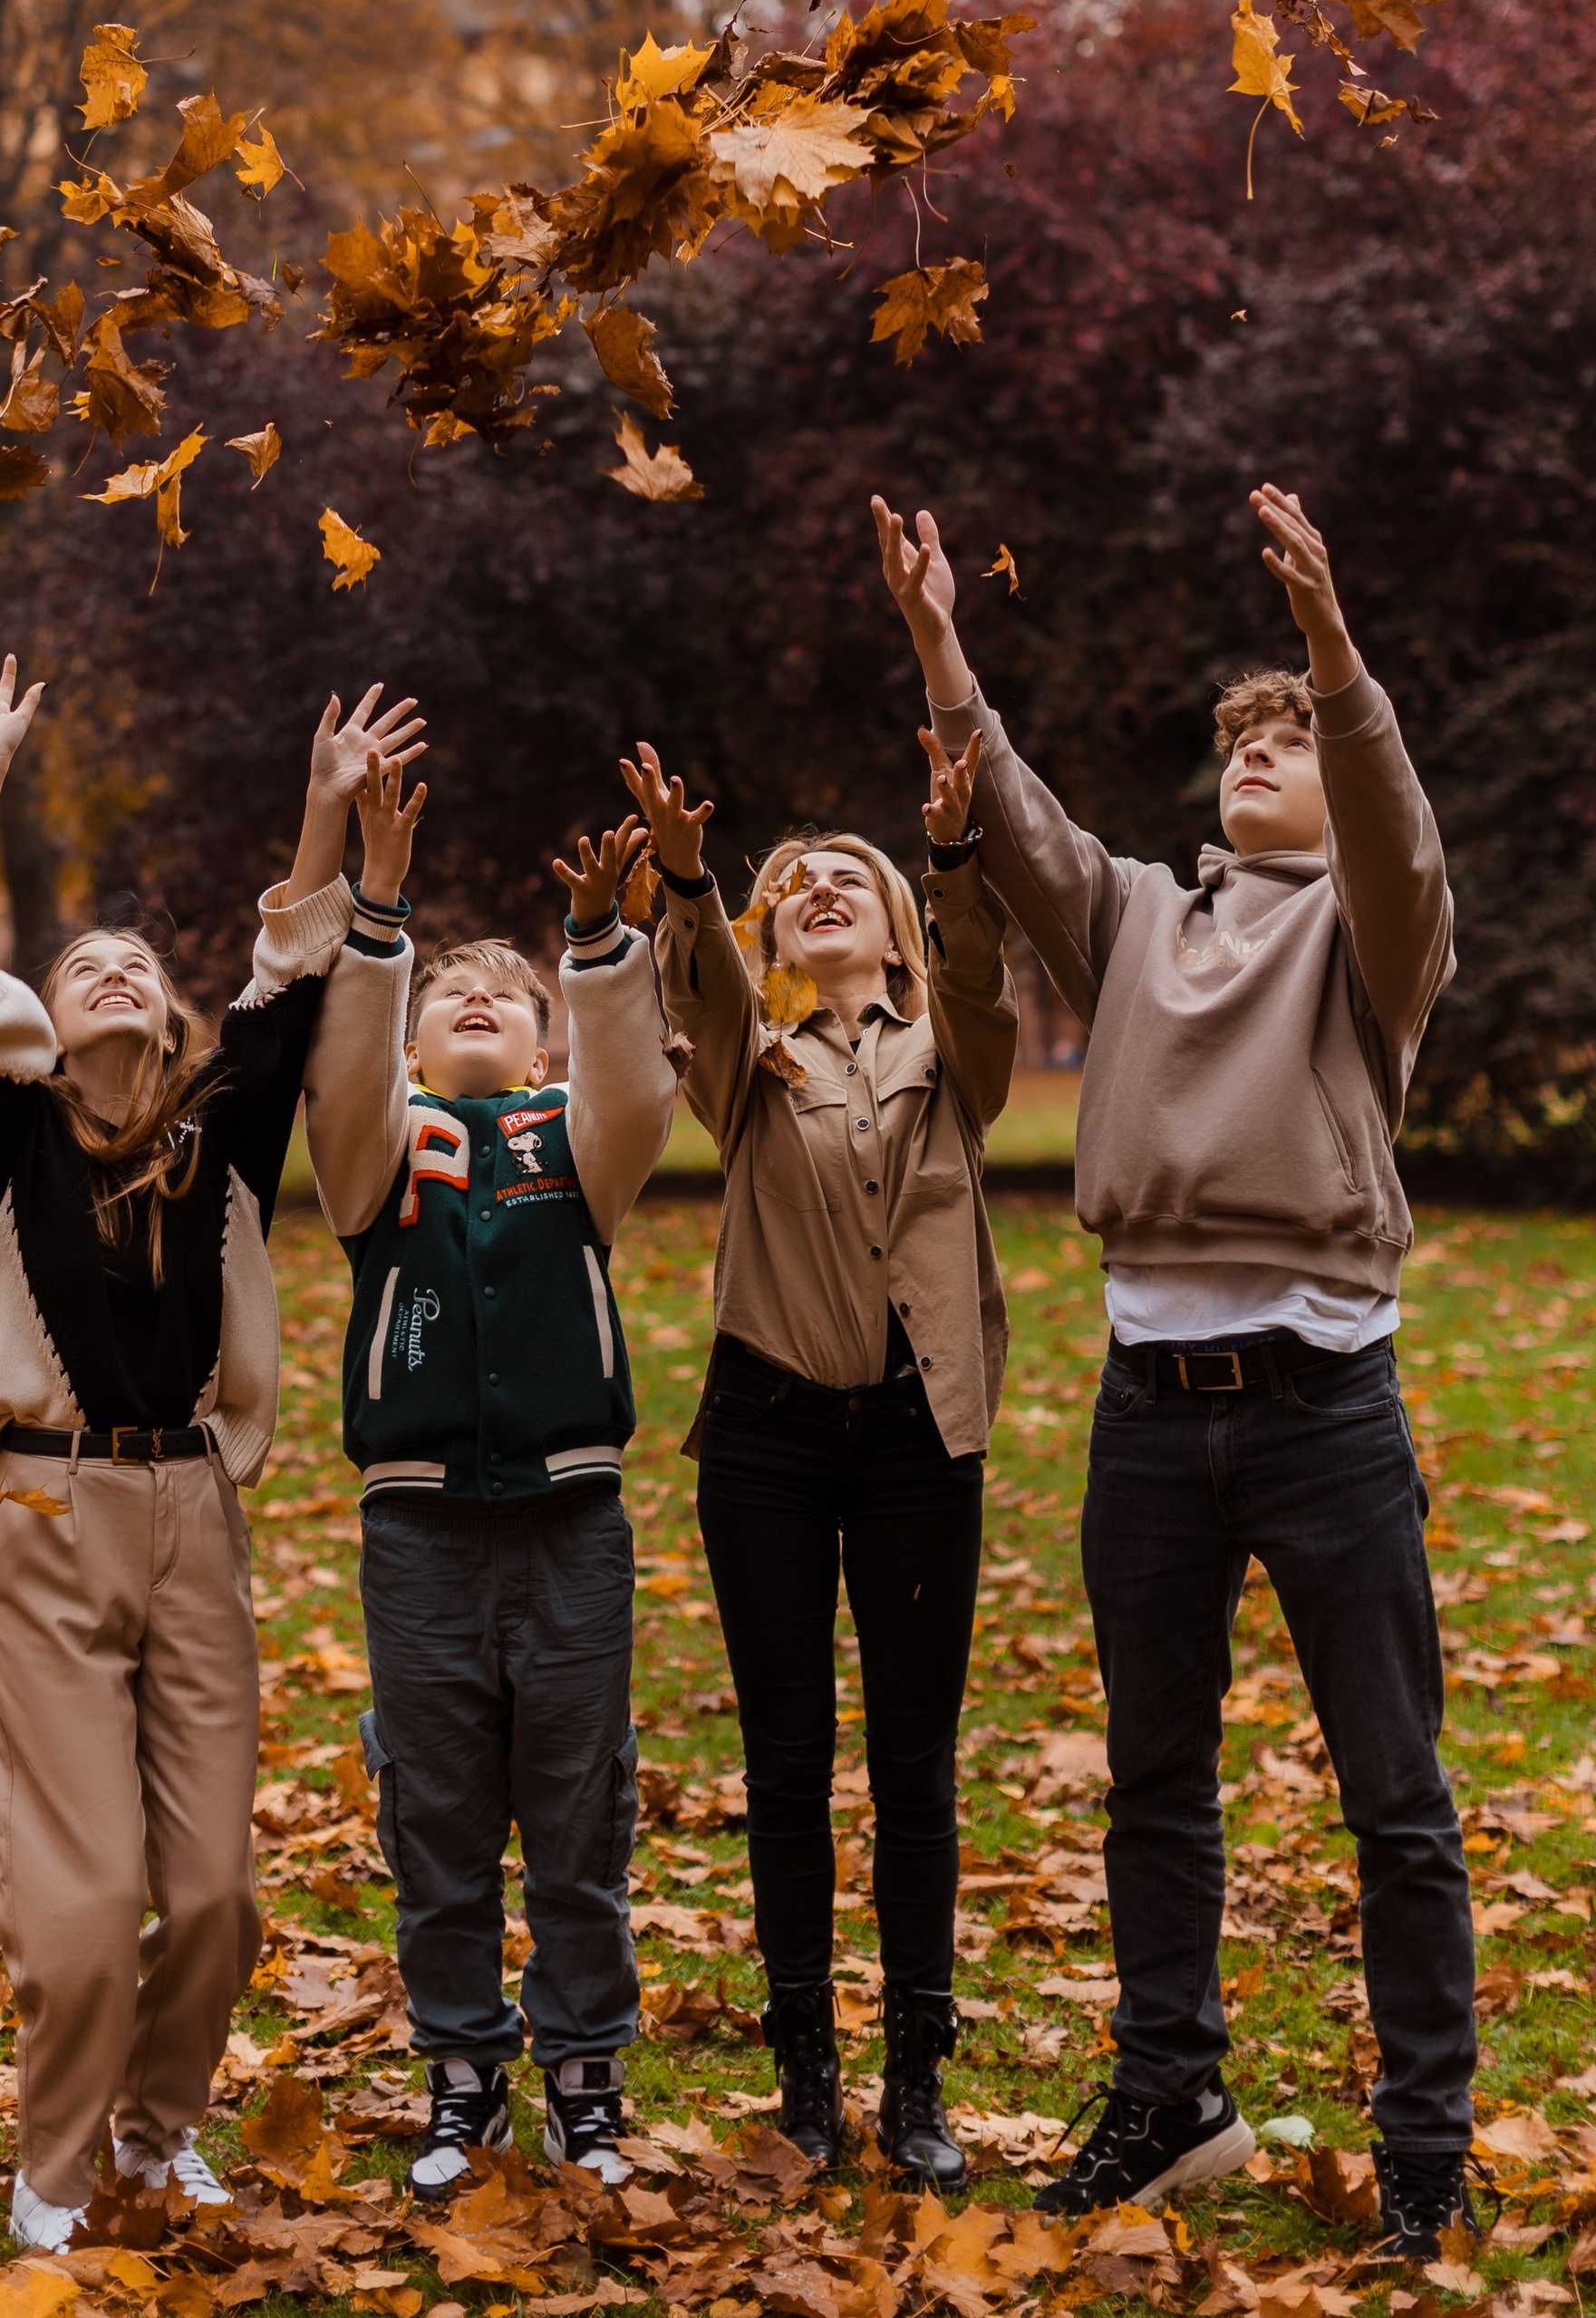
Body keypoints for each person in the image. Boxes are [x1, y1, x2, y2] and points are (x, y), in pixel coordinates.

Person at [874, 487, 1473, 2259]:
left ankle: (1423, 2144)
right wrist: (935, 643)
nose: (1257, 757)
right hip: (1151, 1414)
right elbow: (1022, 819)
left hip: (1321, 1415)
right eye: (1242, 743)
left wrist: (1332, 663)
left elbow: (1394, 831)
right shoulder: (1135, 918)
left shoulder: (1374, 942)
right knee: (1152, 1780)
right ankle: (1166, 2094)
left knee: (1392, 1793)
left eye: (1285, 741)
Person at [0, 643, 421, 2251]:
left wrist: (325, 810)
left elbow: (291, 971)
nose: (118, 970)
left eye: (140, 960)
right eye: (87, 966)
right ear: (42, 1025)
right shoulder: (7, 1138)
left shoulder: (218, 1135)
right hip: (46, 1527)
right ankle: (54, 2168)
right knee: (76, 1917)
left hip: (195, 1515)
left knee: (211, 1896)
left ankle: (156, 2133)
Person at [622, 724, 1016, 2187]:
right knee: (787, 1763)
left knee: (914, 1765)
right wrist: (688, 878)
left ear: (900, 935)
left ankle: (919, 2085)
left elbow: (980, 988)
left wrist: (957, 861)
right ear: (772, 932)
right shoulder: (744, 1056)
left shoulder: (952, 1056)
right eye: (797, 884)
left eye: (856, 876)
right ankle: (807, 2081)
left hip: (923, 1435)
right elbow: (705, 981)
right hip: (770, 1438)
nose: (825, 887)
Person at [298, 755, 680, 2204]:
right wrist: (379, 910)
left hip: (572, 1525)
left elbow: (636, 1082)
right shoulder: (379, 1151)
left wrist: (595, 952)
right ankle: (461, 2077)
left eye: (502, 996)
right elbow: (338, 1074)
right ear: (409, 1040)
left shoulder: (571, 1147)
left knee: (580, 1811)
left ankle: (587, 2079)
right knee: (439, 1817)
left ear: (540, 1045)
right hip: (419, 1540)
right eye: (445, 992)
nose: (473, 1000)